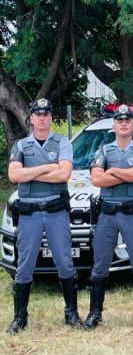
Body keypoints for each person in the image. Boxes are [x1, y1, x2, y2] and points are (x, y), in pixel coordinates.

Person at [6, 99, 81, 334]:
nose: (41, 118)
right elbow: (13, 175)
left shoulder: (62, 143)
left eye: (46, 114)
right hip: (29, 215)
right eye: (37, 114)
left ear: (51, 118)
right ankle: (20, 317)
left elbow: (64, 174)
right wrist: (48, 167)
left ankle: (71, 313)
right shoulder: (21, 145)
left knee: (64, 262)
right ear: (31, 118)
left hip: (56, 212)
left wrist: (30, 174)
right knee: (24, 265)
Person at [83, 105, 133, 329]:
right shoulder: (104, 150)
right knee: (100, 264)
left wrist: (112, 171)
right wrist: (124, 175)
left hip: (132, 214)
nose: (124, 123)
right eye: (119, 120)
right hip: (107, 215)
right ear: (113, 125)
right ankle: (95, 313)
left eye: (128, 120)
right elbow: (97, 180)